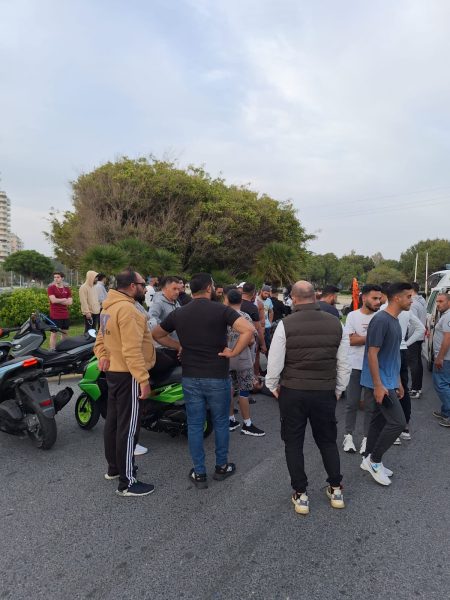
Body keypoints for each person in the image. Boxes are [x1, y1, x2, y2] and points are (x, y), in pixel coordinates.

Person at [152, 273, 254, 489]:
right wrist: (233, 351)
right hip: (217, 376)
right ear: (209, 288)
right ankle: (221, 467)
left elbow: (156, 334)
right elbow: (248, 330)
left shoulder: (179, 312)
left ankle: (199, 473)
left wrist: (179, 346)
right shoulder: (222, 310)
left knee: (195, 425)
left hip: (191, 377)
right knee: (221, 422)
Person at [266, 281, 351, 515]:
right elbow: (344, 362)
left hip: (293, 391)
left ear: (294, 298)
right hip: (324, 391)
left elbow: (275, 362)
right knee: (327, 441)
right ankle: (336, 489)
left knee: (293, 442)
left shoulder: (286, 324)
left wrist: (272, 386)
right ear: (315, 296)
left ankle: (301, 494)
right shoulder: (336, 323)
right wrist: (338, 389)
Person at [94, 269, 157, 497]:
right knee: (128, 429)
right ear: (132, 286)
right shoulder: (128, 310)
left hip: (114, 373)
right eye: (142, 283)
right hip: (128, 375)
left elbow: (100, 339)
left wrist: (102, 355)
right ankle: (127, 482)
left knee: (113, 424)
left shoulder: (109, 306)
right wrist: (143, 379)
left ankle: (114, 469)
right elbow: (132, 350)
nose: (144, 287)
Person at [360, 282, 413, 486]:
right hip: (380, 382)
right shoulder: (381, 320)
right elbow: (372, 354)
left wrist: (398, 381)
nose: (411, 300)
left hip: (389, 380)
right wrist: (378, 385)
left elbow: (393, 355)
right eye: (408, 296)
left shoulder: (394, 320)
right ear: (397, 298)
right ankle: (375, 460)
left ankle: (367, 457)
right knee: (398, 423)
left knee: (379, 420)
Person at [342, 284, 382, 455]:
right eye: (374, 298)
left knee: (370, 406)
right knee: (351, 404)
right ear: (364, 298)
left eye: (379, 298)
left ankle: (367, 438)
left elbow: (383, 342)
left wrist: (361, 337)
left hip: (373, 367)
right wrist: (372, 338)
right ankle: (348, 436)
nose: (378, 301)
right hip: (354, 366)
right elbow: (350, 340)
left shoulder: (381, 317)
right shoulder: (352, 315)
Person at [225, 288, 265, 437]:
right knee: (243, 392)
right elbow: (251, 339)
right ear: (241, 301)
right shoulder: (245, 316)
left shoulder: (222, 316)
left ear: (227, 300)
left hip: (226, 358)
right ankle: (247, 424)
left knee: (229, 390)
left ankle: (230, 420)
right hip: (243, 359)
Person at [431, 292, 450, 428]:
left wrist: (440, 357)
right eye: (437, 301)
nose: (438, 304)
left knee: (441, 385)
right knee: (445, 384)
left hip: (446, 358)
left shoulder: (448, 316)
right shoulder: (445, 315)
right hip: (446, 357)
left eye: (441, 301)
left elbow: (447, 338)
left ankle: (449, 414)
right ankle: (445, 411)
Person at [407, 282, 427, 399]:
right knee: (418, 363)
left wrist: (408, 338)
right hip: (419, 336)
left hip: (414, 337)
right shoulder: (421, 301)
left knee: (414, 364)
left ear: (411, 290)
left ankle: (415, 389)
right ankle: (418, 387)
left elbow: (413, 324)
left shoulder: (413, 304)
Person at [148, 276, 180, 340]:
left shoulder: (176, 302)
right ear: (165, 289)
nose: (177, 292)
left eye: (178, 289)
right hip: (165, 345)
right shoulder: (158, 303)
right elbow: (151, 319)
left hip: (176, 342)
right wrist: (166, 330)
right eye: (174, 289)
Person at [47, 272, 73, 350]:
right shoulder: (51, 288)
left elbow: (70, 302)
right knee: (54, 333)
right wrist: (64, 299)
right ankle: (52, 350)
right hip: (55, 315)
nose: (56, 279)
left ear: (62, 278)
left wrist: (59, 300)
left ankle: (63, 348)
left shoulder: (67, 289)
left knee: (65, 333)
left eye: (58, 277)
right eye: (55, 277)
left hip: (65, 314)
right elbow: (53, 300)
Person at [258, 285, 274, 349]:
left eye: (268, 294)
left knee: (268, 345)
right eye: (265, 293)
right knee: (257, 346)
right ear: (261, 291)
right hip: (258, 326)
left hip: (267, 326)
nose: (266, 295)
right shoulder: (256, 299)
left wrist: (270, 322)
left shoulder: (269, 300)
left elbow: (271, 312)